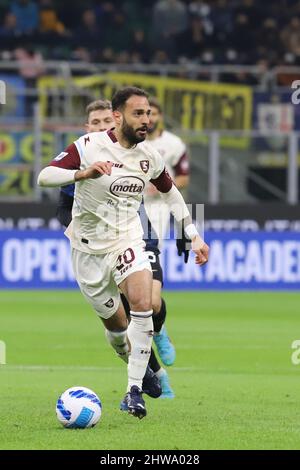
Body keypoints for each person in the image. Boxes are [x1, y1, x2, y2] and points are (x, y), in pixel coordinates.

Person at [38, 86, 209, 419]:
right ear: (118, 117)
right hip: (88, 251)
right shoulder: (87, 147)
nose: (146, 120)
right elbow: (45, 175)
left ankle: (133, 392)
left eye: (148, 113)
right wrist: (80, 173)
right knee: (118, 330)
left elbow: (171, 192)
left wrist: (194, 236)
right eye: (138, 114)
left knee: (144, 303)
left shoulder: (150, 156)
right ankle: (139, 366)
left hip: (128, 238)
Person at [56, 98, 176, 400]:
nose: (101, 128)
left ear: (116, 120)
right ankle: (151, 374)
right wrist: (78, 232)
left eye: (105, 122)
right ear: (87, 128)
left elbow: (165, 186)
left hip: (135, 232)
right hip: (94, 244)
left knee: (150, 302)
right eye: (94, 124)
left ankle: (158, 336)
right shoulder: (85, 154)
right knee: (123, 319)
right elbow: (63, 207)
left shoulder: (136, 152)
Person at [143, 96, 190, 379]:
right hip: (125, 212)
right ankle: (150, 374)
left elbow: (183, 177)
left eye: (153, 113)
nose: (149, 118)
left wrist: (160, 187)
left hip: (158, 211)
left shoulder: (173, 144)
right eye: (145, 112)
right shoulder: (129, 142)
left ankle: (158, 330)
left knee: (150, 295)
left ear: (160, 116)